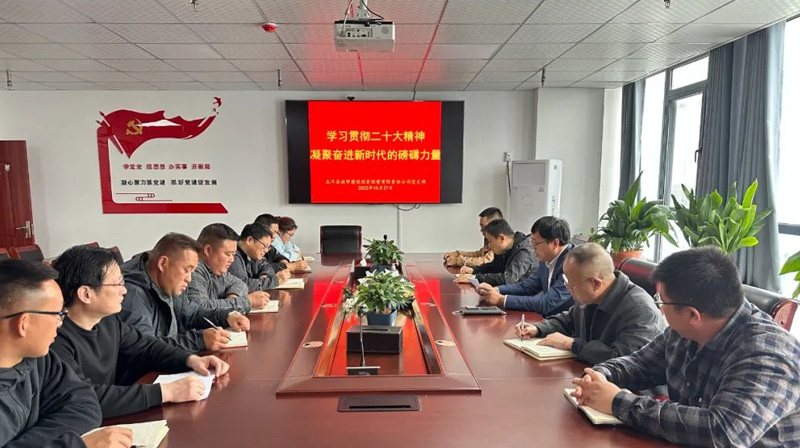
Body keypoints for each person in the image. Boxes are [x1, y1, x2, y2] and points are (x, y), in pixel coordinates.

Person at [572, 247, 800, 447]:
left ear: (693, 315)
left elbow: (721, 433)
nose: (659, 308)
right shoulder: (683, 331)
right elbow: (639, 364)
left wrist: (617, 402)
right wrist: (599, 376)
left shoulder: (767, 354)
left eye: (661, 300)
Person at [51, 245, 231, 419]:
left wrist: (190, 360)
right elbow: (83, 398)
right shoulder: (54, 338)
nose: (124, 290)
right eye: (117, 284)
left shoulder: (108, 321)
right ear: (86, 294)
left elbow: (147, 347)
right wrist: (166, 392)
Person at [0, 259, 132, 448]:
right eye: (57, 314)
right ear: (24, 324)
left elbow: (86, 406)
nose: (61, 322)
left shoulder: (39, 358)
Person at [514, 242, 664, 365]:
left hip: (628, 389)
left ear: (596, 283)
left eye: (572, 285)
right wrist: (538, 328)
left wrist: (573, 344)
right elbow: (569, 319)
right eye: (566, 282)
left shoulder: (640, 310)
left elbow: (623, 360)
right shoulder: (591, 296)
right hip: (592, 373)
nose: (569, 290)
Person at [121, 233, 250, 352]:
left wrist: (227, 316)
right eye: (186, 270)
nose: (189, 279)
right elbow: (144, 349)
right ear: (163, 263)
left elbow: (192, 314)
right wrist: (199, 340)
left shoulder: (168, 283)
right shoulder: (133, 296)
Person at [478, 216, 573, 316]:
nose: (532, 248)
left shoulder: (572, 264)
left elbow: (546, 303)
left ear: (555, 243)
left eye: (535, 243)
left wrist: (502, 299)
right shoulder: (547, 258)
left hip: (563, 323)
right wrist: (497, 290)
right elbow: (527, 287)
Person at [187, 223, 269, 313]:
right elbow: (201, 307)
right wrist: (246, 302)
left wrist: (233, 298)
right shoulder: (193, 270)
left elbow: (240, 284)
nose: (232, 260)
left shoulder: (217, 270)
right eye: (228, 254)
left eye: (233, 255)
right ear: (207, 250)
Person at [459, 219, 534, 286]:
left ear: (501, 238)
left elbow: (507, 279)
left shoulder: (524, 251)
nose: (489, 246)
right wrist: (474, 270)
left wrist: (475, 278)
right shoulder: (504, 249)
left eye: (490, 241)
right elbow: (494, 266)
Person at [229, 223, 291, 293]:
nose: (266, 251)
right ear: (250, 240)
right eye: (265, 246)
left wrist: (264, 275)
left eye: (268, 247)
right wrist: (274, 281)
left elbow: (267, 266)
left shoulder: (253, 253)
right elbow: (241, 285)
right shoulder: (233, 255)